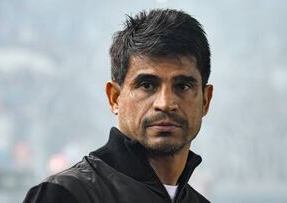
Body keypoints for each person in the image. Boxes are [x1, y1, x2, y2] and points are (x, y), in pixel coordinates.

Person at [24, 8, 213, 203]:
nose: (165, 103)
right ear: (115, 98)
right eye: (147, 85)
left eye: (182, 86)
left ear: (205, 100)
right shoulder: (64, 194)